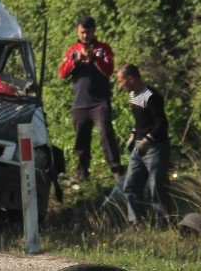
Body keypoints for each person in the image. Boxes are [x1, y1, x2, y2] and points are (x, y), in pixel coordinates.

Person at [58, 15, 123, 182]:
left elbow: (108, 71)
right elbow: (62, 73)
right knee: (81, 140)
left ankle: (116, 171)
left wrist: (93, 58)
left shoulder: (103, 49)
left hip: (99, 101)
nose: (85, 36)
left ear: (94, 31)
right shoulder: (72, 50)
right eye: (82, 32)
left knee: (106, 134)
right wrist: (77, 60)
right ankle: (82, 174)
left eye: (88, 32)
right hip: (80, 102)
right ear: (77, 31)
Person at [116, 64, 172, 226]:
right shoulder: (133, 95)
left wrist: (148, 139)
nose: (120, 86)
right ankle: (137, 223)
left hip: (154, 148)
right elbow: (142, 120)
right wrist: (134, 133)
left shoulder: (151, 96)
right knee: (130, 186)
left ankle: (164, 224)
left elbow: (161, 123)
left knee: (157, 188)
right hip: (138, 148)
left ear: (131, 79)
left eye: (121, 82)